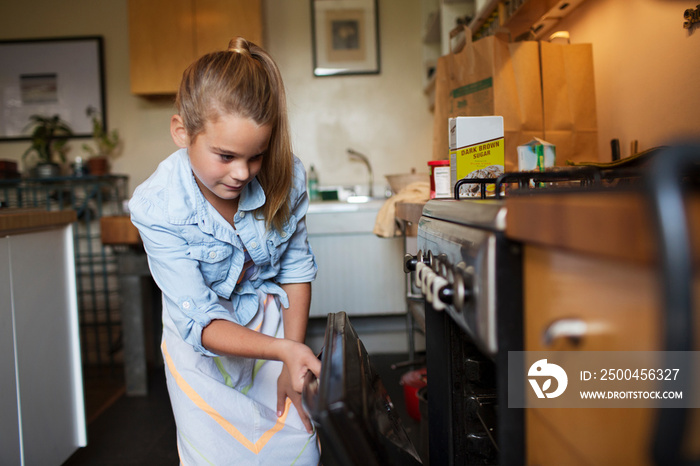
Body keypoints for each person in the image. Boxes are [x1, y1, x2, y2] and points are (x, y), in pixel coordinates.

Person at [129, 37, 322, 465]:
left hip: (273, 327)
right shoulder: (158, 205)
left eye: (255, 156)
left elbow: (295, 265)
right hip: (201, 343)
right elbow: (201, 320)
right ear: (182, 132)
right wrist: (284, 353)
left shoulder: (285, 173)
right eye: (226, 155)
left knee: (298, 449)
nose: (242, 173)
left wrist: (293, 351)